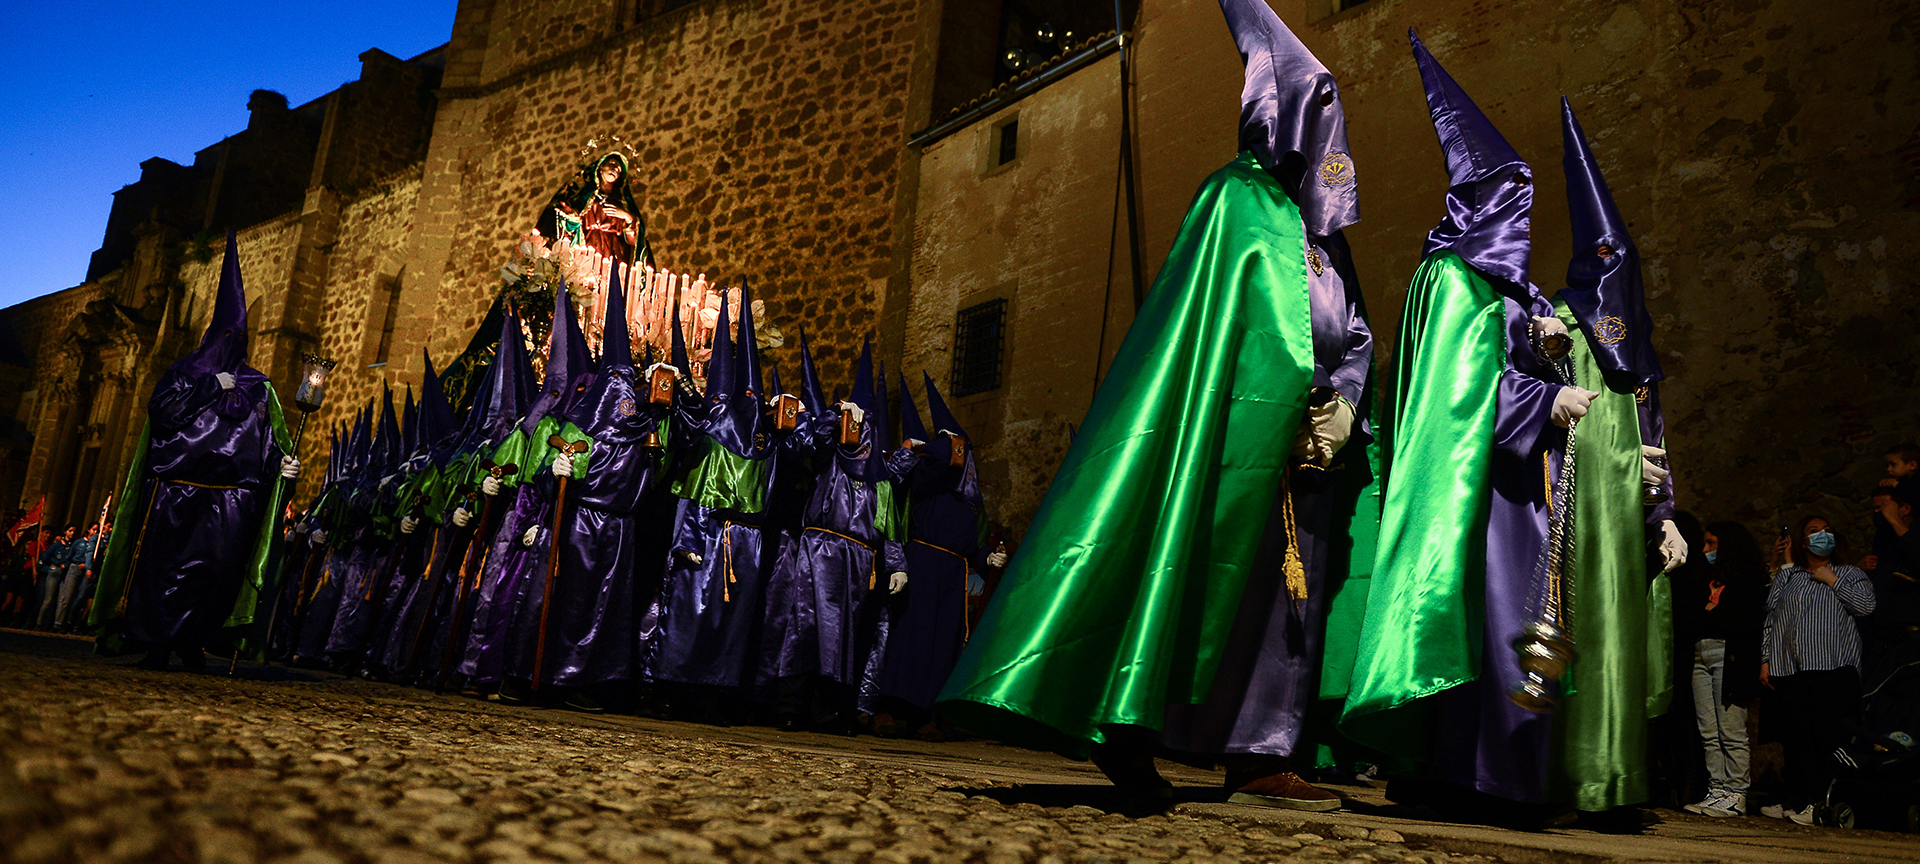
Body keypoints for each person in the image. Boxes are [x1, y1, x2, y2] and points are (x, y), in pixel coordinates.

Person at [938, 0, 1374, 810]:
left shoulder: (1325, 241)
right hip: (1229, 442)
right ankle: (1127, 732)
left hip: (1307, 459)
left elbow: (1353, 334)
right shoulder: (1235, 204)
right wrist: (1279, 401)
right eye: (1318, 111)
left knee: (1283, 607)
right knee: (1188, 574)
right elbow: (1213, 337)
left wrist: (1342, 405)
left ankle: (1260, 751)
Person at [1338, 31, 1578, 826]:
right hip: (1470, 497)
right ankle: (1457, 773)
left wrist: (1551, 361)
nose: (1520, 213)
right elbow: (1452, 391)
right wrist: (1541, 401)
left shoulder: (1509, 293)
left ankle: (1496, 775)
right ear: (1479, 202)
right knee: (1476, 621)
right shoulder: (1447, 278)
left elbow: (1517, 370)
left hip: (1513, 492)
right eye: (1508, 195)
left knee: (1509, 626)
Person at [89, 232, 298, 671]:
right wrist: (207, 386)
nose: (232, 342)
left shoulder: (259, 388)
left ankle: (194, 643)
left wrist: (286, 470)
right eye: (225, 334)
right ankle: (157, 642)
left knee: (213, 575)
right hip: (176, 491)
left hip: (230, 499)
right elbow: (162, 415)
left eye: (238, 335)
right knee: (163, 571)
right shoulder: (183, 375)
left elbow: (270, 444)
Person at [1759, 515, 1876, 824]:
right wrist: (1766, 659)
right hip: (1792, 668)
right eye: (1814, 531)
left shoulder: (1849, 573)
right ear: (1803, 541)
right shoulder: (1791, 577)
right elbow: (1771, 618)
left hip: (1832, 668)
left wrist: (1832, 581)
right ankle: (1795, 798)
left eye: (1827, 530)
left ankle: (1819, 802)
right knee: (1796, 738)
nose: (1822, 534)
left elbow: (1866, 607)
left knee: (1823, 738)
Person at [1677, 519, 1767, 817]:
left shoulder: (1748, 578)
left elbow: (1737, 619)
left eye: (1711, 544)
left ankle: (1736, 791)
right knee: (1708, 729)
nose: (1705, 550)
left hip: (1729, 656)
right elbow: (1693, 617)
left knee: (1731, 728)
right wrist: (1709, 612)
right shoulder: (1705, 578)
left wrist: (1711, 613)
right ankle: (1718, 788)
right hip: (1700, 654)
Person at [35, 526, 75, 630]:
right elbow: (45, 556)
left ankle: (56, 624)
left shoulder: (72, 546)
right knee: (48, 599)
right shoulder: (57, 544)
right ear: (65, 532)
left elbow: (72, 558)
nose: (72, 533)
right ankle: (39, 623)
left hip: (65, 573)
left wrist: (66, 564)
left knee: (61, 600)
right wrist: (54, 564)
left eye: (74, 531)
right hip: (55, 571)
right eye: (70, 531)